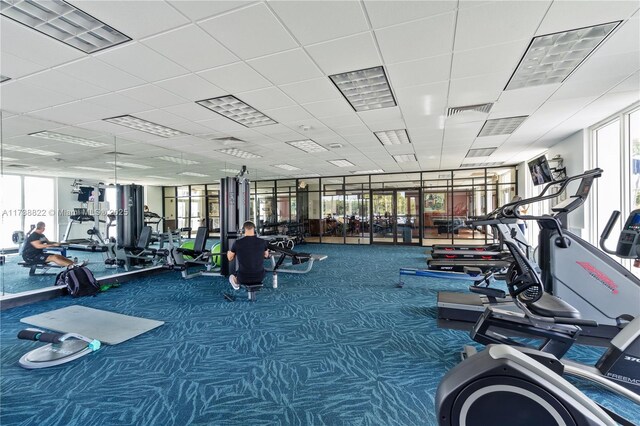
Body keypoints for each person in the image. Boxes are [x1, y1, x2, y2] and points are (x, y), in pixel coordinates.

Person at [227, 221, 270, 290]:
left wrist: (228, 253)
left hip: (243, 278)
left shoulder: (237, 243)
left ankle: (236, 283)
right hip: (260, 277)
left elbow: (230, 258)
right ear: (255, 229)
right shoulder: (262, 242)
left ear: (244, 230)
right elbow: (266, 255)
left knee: (231, 276)